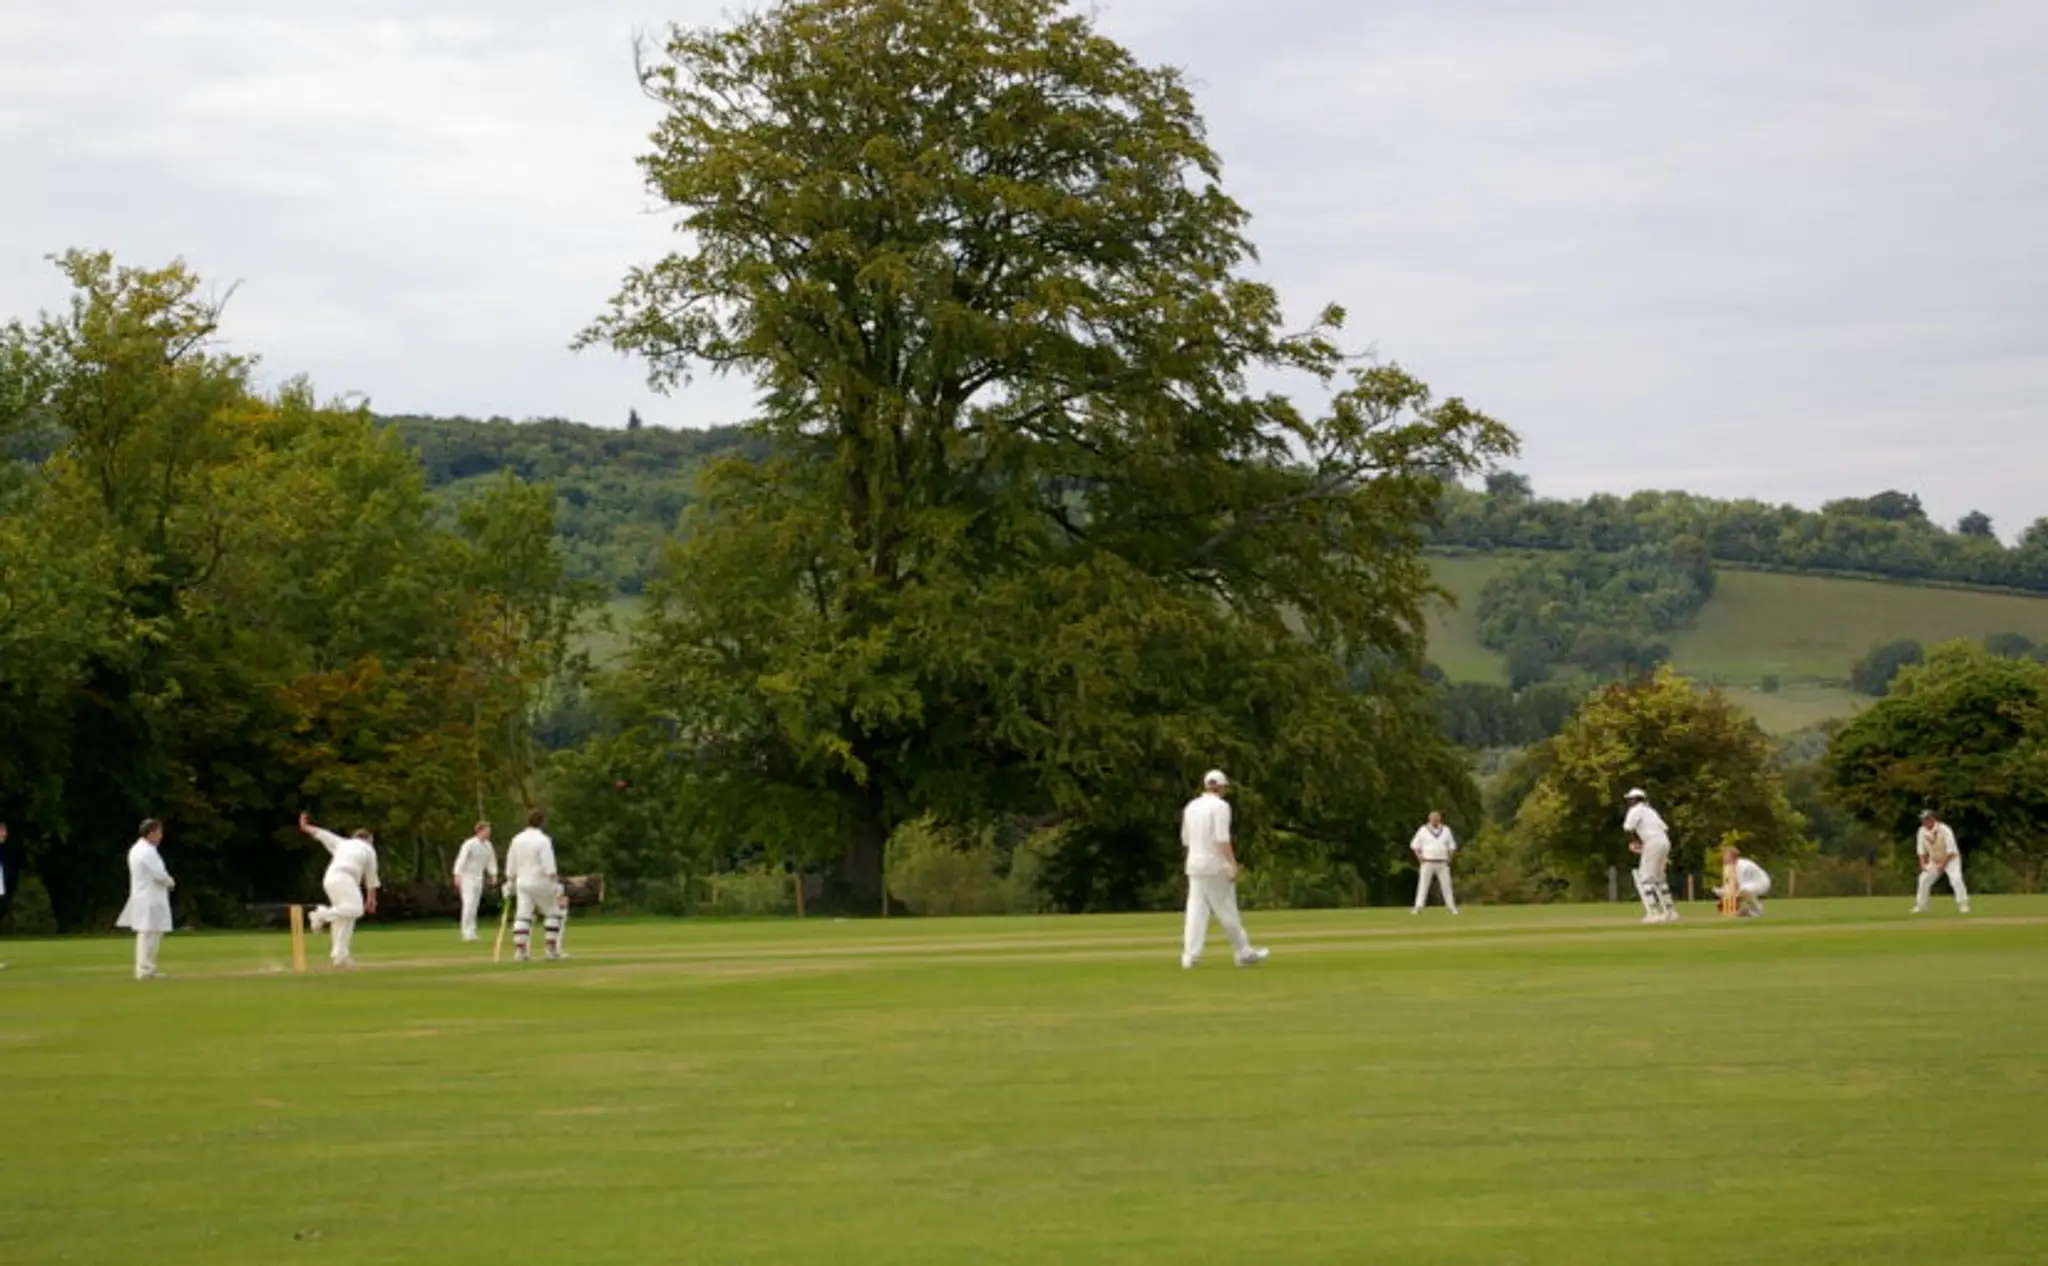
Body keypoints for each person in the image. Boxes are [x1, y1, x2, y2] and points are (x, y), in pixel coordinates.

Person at [1179, 770, 1270, 969]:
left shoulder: (1191, 806)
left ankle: (1190, 956)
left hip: (1194, 865)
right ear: (1221, 787)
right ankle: (1243, 952)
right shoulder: (1221, 807)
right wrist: (1232, 864)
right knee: (1227, 910)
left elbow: (1186, 840)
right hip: (1215, 866)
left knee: (1196, 911)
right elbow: (1222, 839)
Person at [297, 812, 381, 967]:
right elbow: (371, 878)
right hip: (345, 878)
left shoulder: (342, 843)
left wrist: (304, 826)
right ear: (369, 840)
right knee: (356, 910)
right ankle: (321, 914)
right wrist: (371, 899)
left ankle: (340, 956)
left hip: (331, 878)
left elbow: (321, 834)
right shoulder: (368, 849)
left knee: (345, 916)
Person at [114, 819, 175, 980]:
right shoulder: (146, 851)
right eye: (159, 832)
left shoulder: (139, 849)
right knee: (149, 933)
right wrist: (170, 881)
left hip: (147, 896)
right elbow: (159, 874)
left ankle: (147, 968)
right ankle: (144, 969)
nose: (161, 836)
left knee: (152, 932)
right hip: (149, 897)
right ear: (151, 833)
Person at [504, 809, 567, 963]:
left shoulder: (517, 839)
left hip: (522, 882)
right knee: (553, 912)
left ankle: (520, 951)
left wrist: (509, 881)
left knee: (523, 915)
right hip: (541, 881)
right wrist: (555, 882)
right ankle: (551, 951)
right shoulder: (543, 840)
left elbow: (511, 863)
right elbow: (549, 866)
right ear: (542, 822)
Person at [1623, 788, 1678, 924]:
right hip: (1664, 841)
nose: (1629, 802)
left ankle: (1654, 913)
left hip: (1652, 842)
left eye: (1630, 799)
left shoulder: (1635, 810)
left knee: (1645, 877)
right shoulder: (1651, 811)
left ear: (1635, 799)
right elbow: (1665, 829)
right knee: (1659, 878)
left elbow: (1628, 828)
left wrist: (1634, 842)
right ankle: (1670, 912)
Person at [1912, 809, 1970, 914]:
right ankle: (1921, 905)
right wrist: (1923, 864)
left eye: (1927, 819)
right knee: (1923, 879)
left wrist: (1943, 865)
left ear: (1933, 819)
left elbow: (1951, 850)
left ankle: (1963, 904)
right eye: (1923, 820)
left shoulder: (1945, 830)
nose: (1924, 822)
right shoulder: (1921, 831)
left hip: (1951, 859)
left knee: (1956, 879)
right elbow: (1921, 850)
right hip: (1934, 860)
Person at [451, 822, 499, 943]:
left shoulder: (488, 845)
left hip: (478, 877)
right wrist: (457, 874)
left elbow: (491, 861)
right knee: (468, 903)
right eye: (487, 830)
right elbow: (461, 859)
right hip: (467, 877)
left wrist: (493, 874)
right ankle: (465, 932)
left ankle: (472, 931)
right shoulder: (470, 844)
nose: (489, 833)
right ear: (480, 831)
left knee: (475, 905)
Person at [1409, 811, 1460, 915]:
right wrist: (1419, 857)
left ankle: (1451, 907)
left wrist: (1450, 858)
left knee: (1446, 886)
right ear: (1429, 819)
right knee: (1423, 885)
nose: (1435, 821)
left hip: (1442, 862)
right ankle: (1418, 907)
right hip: (1427, 862)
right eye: (1433, 819)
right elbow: (1414, 845)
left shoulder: (1446, 830)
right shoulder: (1423, 830)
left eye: (1437, 818)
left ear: (1440, 819)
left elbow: (1452, 846)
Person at [1712, 846, 1771, 918]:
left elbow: (1737, 887)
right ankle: (1746, 911)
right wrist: (1721, 892)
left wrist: (1724, 894)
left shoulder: (1741, 866)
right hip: (1751, 883)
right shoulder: (1730, 867)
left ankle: (1758, 910)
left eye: (1726, 855)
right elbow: (1731, 884)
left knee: (1742, 890)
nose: (1723, 857)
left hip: (1762, 883)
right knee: (1740, 892)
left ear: (1732, 857)